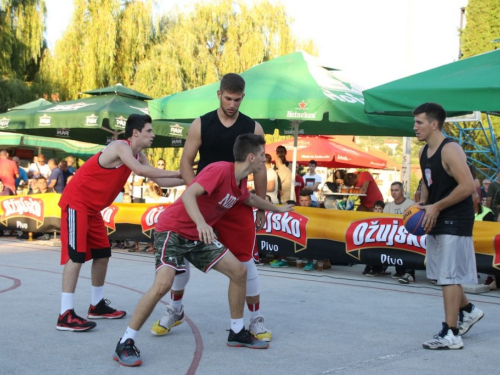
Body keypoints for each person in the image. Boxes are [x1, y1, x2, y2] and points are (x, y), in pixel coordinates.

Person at [113, 134, 293, 366]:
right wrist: (200, 222)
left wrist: (276, 209)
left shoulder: (239, 183)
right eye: (261, 155)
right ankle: (125, 343)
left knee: (239, 272)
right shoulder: (219, 170)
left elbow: (249, 200)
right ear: (251, 157)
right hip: (173, 230)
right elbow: (189, 194)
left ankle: (237, 331)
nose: (263, 161)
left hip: (197, 236)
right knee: (163, 284)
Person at [150, 73, 272, 342]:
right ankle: (175, 310)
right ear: (219, 94)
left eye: (237, 99)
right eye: (228, 98)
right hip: (206, 201)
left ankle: (255, 320)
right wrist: (197, 192)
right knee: (179, 255)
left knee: (245, 261)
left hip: (238, 202)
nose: (232, 104)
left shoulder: (253, 127)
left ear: (243, 97)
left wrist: (262, 207)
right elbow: (186, 162)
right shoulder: (200, 124)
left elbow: (261, 169)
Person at [56, 114, 183, 332]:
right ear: (135, 133)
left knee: (103, 254)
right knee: (76, 256)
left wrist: (193, 178)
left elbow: (160, 179)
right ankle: (65, 314)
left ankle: (96, 305)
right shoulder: (119, 147)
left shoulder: (138, 154)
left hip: (93, 209)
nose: (153, 135)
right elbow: (142, 171)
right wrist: (183, 172)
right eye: (149, 131)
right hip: (77, 203)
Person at [413, 102, 483, 350]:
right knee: (442, 275)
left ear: (434, 124)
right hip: (437, 215)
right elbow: (428, 183)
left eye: (419, 122)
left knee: (449, 275)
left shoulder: (450, 149)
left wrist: (437, 206)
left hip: (456, 217)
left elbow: (468, 187)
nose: (415, 127)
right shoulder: (424, 153)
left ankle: (452, 333)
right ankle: (469, 310)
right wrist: (423, 204)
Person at [383, 182, 416, 283]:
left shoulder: (411, 204)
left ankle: (409, 272)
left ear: (402, 191)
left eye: (396, 190)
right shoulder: (387, 206)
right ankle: (379, 268)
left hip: (406, 235)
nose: (394, 193)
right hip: (392, 235)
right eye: (392, 190)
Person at [362, 200, 387, 276]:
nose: (377, 211)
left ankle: (377, 268)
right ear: (373, 210)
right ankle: (370, 266)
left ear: (383, 210)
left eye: (379, 209)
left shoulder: (386, 219)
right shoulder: (370, 218)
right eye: (376, 209)